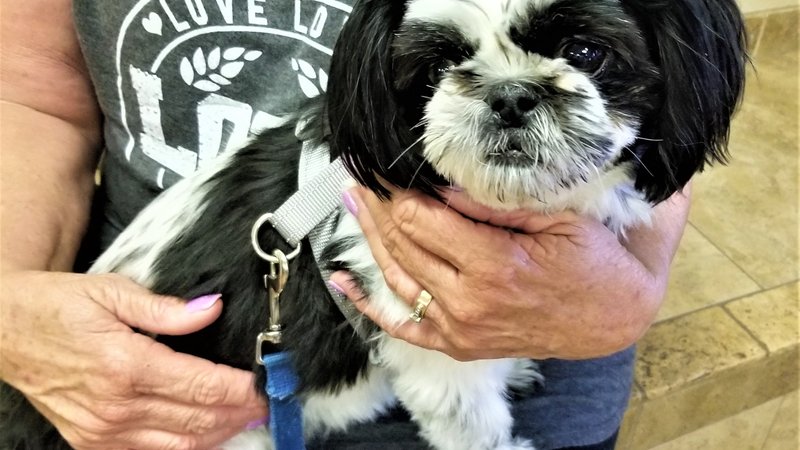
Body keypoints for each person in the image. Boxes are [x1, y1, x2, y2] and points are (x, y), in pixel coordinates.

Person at [0, 1, 690, 449]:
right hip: (167, 396)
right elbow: (29, 96)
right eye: (443, 68)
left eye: (585, 57)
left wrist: (637, 280)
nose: (508, 99)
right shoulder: (393, 186)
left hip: (552, 389)